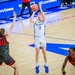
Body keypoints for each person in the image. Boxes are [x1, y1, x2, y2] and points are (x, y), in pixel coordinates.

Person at [30, 3, 49, 74]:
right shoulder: (35, 21)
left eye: (40, 15)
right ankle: (37, 65)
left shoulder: (44, 21)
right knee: (37, 52)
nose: (38, 16)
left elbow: (45, 17)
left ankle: (46, 65)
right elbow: (31, 20)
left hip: (42, 38)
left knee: (44, 52)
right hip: (37, 39)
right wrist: (33, 12)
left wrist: (41, 9)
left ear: (42, 16)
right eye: (38, 15)